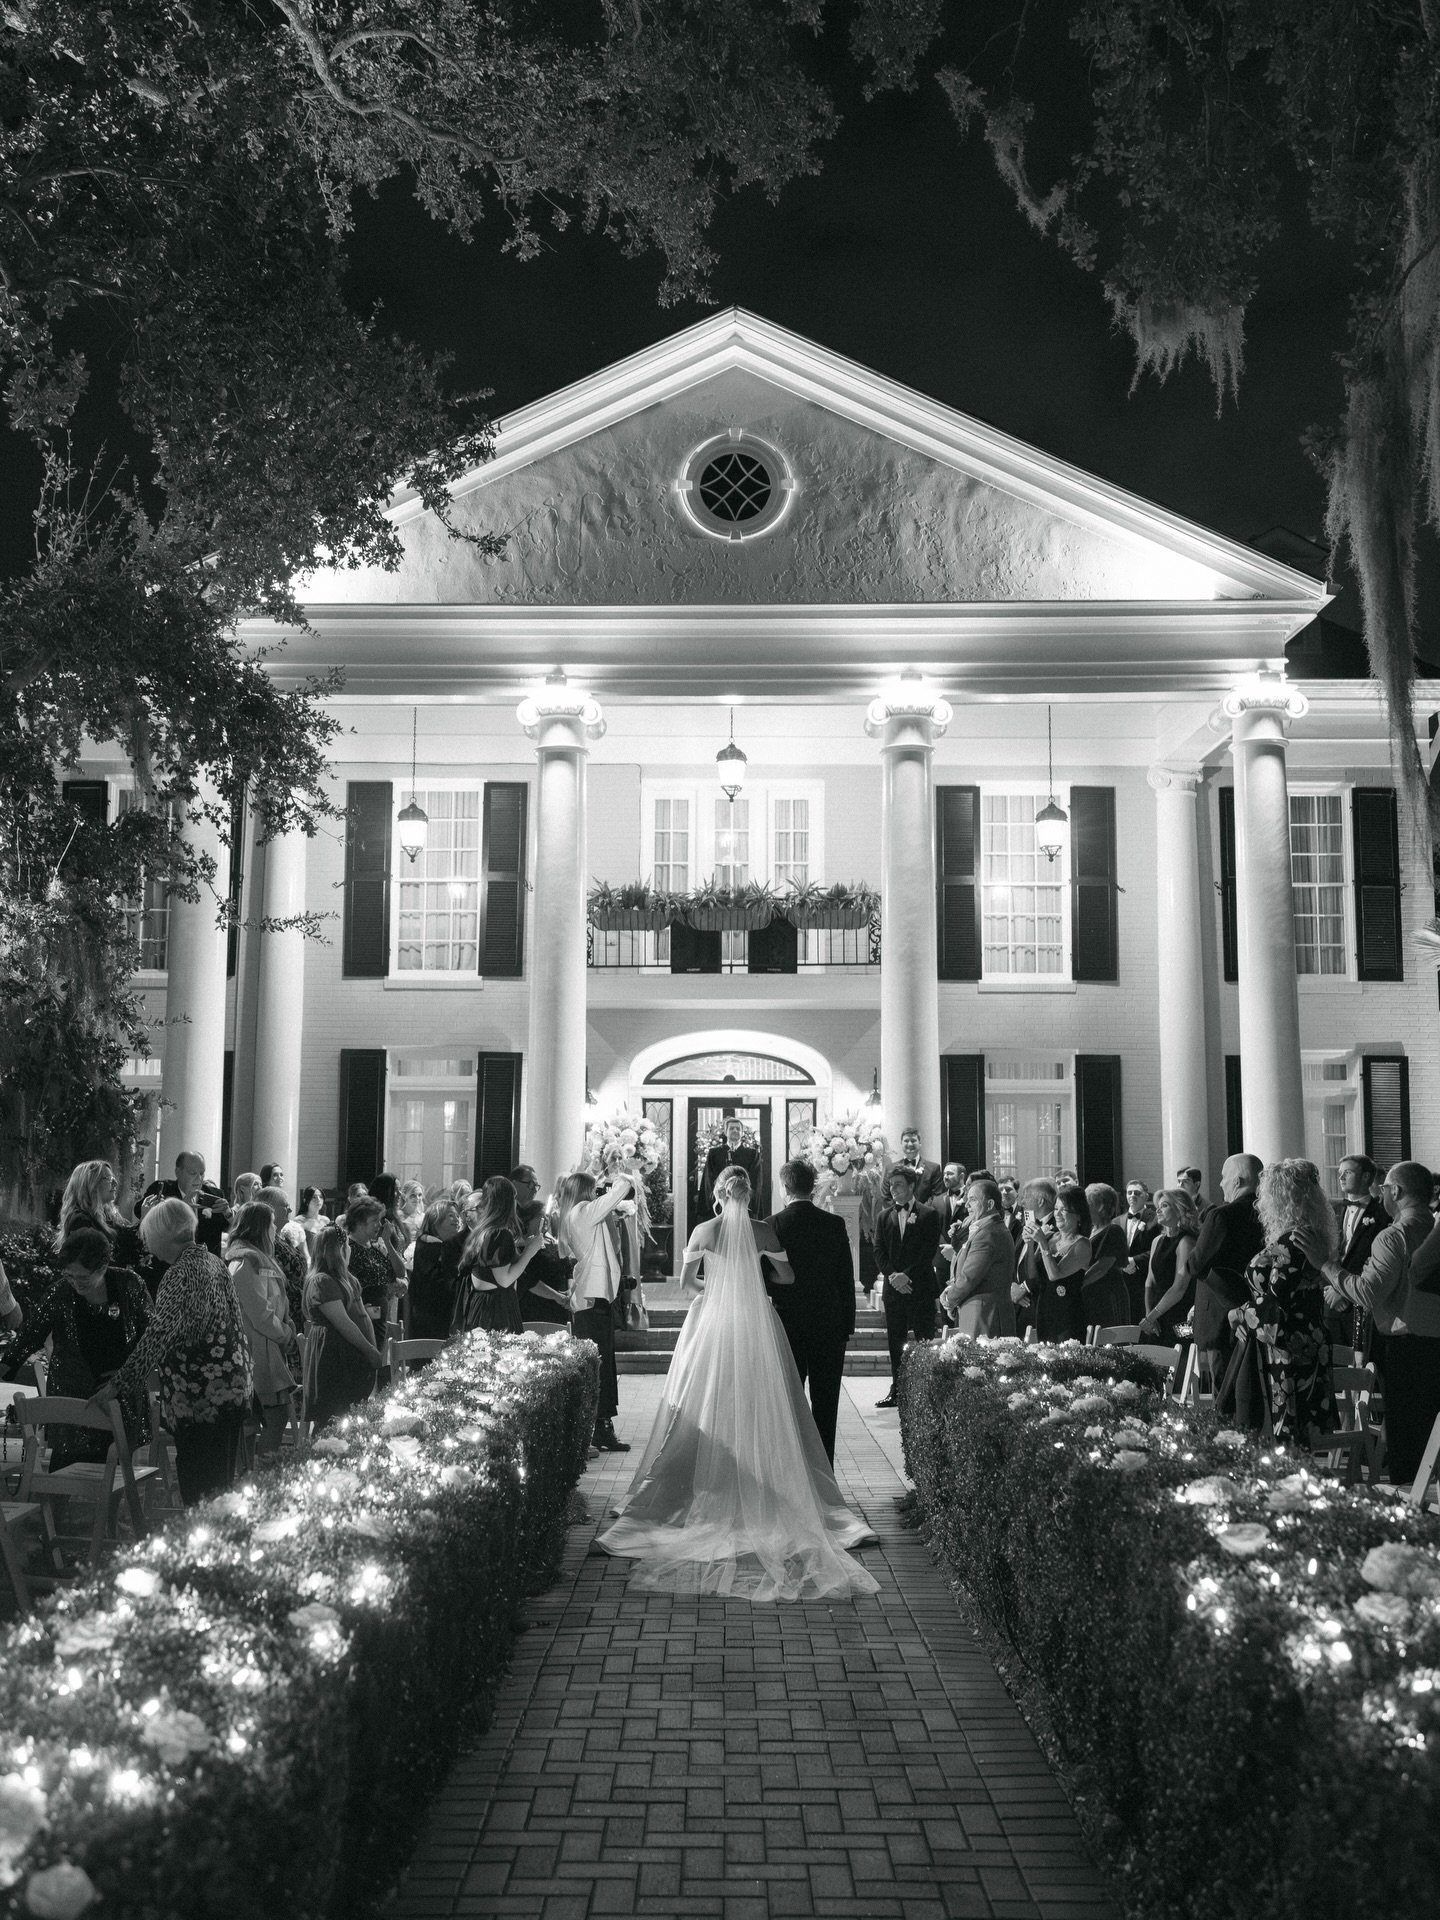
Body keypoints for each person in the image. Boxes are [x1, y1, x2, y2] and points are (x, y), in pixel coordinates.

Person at [598, 1166, 878, 1602]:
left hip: (713, 1320)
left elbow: (690, 1283)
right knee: (760, 1400)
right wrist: (750, 1282)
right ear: (752, 1193)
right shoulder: (765, 1231)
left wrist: (721, 1287)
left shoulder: (704, 1230)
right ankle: (765, 1482)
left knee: (708, 1399)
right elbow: (785, 1278)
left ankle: (713, 1478)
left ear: (717, 1192)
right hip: (755, 1320)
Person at [107, 1199, 253, 1504]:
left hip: (201, 1399)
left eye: (149, 1236)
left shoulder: (180, 1273)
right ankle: (222, 1547)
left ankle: (201, 1549)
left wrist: (118, 1384)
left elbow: (157, 1335)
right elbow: (237, 1323)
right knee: (221, 1489)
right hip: (231, 1390)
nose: (147, 1245)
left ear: (162, 1234)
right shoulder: (214, 1262)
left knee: (199, 1491)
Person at [1304, 1160, 1440, 1484]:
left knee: (1407, 1433)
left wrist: (1325, 1266)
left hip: (1408, 1344)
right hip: (1435, 1338)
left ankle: (1409, 1512)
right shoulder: (1433, 1230)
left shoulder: (1392, 1236)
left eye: (1384, 1188)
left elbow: (1367, 1293)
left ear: (1396, 1190)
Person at [1222, 1160, 1336, 1445]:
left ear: (1279, 1195)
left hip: (1289, 1343)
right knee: (1293, 1433)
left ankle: (1293, 1484)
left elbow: (1276, 1301)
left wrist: (1238, 1313)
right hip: (1301, 1336)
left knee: (1288, 1432)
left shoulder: (1295, 1240)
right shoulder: (1304, 1234)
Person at [24, 1227, 151, 1467]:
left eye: (82, 1277)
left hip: (119, 1399)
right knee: (64, 1465)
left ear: (102, 1268)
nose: (74, 1283)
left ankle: (109, 1505)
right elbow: (27, 1338)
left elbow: (151, 1340)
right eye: (69, 1276)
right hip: (72, 1398)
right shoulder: (60, 1292)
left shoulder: (129, 1285)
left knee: (115, 1470)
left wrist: (125, 1379)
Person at [766, 1157, 855, 1464]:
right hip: (829, 1324)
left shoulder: (772, 1224)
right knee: (826, 1403)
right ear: (812, 1187)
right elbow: (845, 1277)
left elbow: (764, 1277)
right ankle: (824, 1470)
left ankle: (792, 1468)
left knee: (789, 1402)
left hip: (787, 1323)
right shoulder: (834, 1224)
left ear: (784, 1187)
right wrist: (847, 1325)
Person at [556, 1169, 637, 1453]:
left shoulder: (577, 1214)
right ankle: (597, 1428)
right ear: (585, 1192)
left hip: (593, 1295)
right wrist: (620, 1176)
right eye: (593, 1190)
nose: (596, 1195)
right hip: (592, 1297)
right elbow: (622, 1188)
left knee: (602, 1363)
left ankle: (599, 1426)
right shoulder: (582, 1211)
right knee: (599, 1364)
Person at [225, 1201, 299, 1460]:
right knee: (272, 1419)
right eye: (271, 1224)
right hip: (258, 1353)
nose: (275, 1229)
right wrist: (286, 1335)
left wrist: (286, 1324)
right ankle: (258, 1475)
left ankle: (255, 1473)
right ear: (260, 1228)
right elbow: (261, 1315)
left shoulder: (255, 1259)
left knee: (266, 1420)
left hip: (266, 1348)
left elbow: (274, 1305)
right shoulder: (246, 1264)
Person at [1189, 1153, 1265, 1379]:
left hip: (1221, 1320)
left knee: (1224, 1396)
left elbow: (1196, 1265)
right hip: (1257, 1312)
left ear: (1237, 1181)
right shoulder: (1268, 1215)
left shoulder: (1221, 1216)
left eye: (1224, 1177)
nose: (1221, 1183)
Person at [302, 1224, 384, 1430]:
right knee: (332, 1418)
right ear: (337, 1250)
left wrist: (371, 1352)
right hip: (333, 1355)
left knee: (350, 1418)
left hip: (352, 1355)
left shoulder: (348, 1280)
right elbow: (344, 1324)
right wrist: (369, 1350)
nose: (350, 1249)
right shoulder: (322, 1281)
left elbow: (362, 1317)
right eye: (347, 1245)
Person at [873, 1163, 941, 1408]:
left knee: (924, 1341)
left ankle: (927, 1391)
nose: (894, 1189)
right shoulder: (884, 1216)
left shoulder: (929, 1214)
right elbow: (879, 1250)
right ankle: (898, 1390)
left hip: (919, 1287)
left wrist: (907, 1276)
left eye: (899, 1184)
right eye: (891, 1185)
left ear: (912, 1186)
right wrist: (893, 1276)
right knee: (895, 1342)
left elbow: (928, 1251)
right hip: (894, 1291)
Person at [453, 1177, 548, 1337]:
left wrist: (527, 1247)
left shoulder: (484, 1231)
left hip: (484, 1305)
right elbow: (504, 1279)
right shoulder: (498, 1233)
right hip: (496, 1309)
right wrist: (530, 1251)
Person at [940, 1178, 1016, 1338]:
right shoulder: (985, 1229)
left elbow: (969, 1277)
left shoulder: (988, 1233)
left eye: (973, 1200)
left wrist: (948, 1299)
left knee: (979, 1363)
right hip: (979, 1312)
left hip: (985, 1316)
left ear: (989, 1205)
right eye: (967, 1200)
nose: (967, 1205)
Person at [1332, 1154, 1387, 1353]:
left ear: (1365, 1177)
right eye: (1340, 1173)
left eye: (1347, 1172)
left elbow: (1371, 1258)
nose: (1341, 1177)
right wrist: (1330, 1287)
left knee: (1361, 1363)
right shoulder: (1332, 1211)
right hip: (1330, 1299)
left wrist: (1343, 1290)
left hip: (1359, 1300)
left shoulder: (1381, 1215)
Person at [1028, 1183, 1093, 1343]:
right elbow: (1032, 1273)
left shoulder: (1082, 1244)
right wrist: (1030, 1243)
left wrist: (1042, 1243)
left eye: (1063, 1210)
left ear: (1078, 1214)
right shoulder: (1051, 1237)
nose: (1057, 1214)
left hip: (1067, 1314)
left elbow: (1054, 1274)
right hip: (1044, 1308)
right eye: (1056, 1209)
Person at [138, 1151, 231, 1257]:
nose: (199, 1178)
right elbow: (139, 1212)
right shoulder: (162, 1190)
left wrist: (228, 1213)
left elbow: (232, 1228)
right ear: (178, 1172)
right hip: (171, 1263)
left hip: (208, 1265)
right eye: (193, 1173)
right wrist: (181, 1207)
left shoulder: (214, 1194)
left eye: (202, 1173)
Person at [1139, 1188, 1202, 1345]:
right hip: (1156, 1318)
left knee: (1180, 1359)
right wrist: (1149, 1314)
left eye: (1165, 1205)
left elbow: (1179, 1288)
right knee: (1155, 1363)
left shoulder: (1186, 1242)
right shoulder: (1157, 1241)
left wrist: (1151, 1316)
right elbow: (1149, 1282)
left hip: (1181, 1318)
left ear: (1179, 1210)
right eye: (1158, 1206)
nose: (1158, 1210)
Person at [55, 1160, 144, 1267]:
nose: (115, 1183)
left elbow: (130, 1239)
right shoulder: (80, 1221)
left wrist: (146, 1217)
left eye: (113, 1178)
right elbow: (97, 1265)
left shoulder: (108, 1216)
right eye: (108, 1179)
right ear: (90, 1185)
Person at [346, 1196, 407, 1340]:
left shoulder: (376, 1247)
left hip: (380, 1319)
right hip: (361, 1320)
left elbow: (399, 1272)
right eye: (374, 1221)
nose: (379, 1225)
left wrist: (387, 1241)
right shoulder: (348, 1249)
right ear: (359, 1222)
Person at [409, 1198, 466, 1340]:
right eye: (451, 1216)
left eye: (458, 1216)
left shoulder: (434, 1245)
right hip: (432, 1321)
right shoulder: (432, 1248)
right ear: (436, 1220)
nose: (457, 1220)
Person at [1011, 1177, 1057, 1338]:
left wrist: (1024, 1288)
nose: (1021, 1202)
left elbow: (1051, 1266)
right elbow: (1014, 1261)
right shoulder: (1025, 1224)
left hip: (1038, 1302)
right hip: (1018, 1303)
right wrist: (1012, 1286)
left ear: (1041, 1201)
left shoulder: (1058, 1226)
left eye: (1026, 1196)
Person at [1082, 1183, 1132, 1332]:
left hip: (1107, 1296)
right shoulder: (1089, 1230)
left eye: (1087, 1203)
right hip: (1091, 1296)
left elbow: (1101, 1268)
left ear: (1101, 1207)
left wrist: (1076, 1285)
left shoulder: (1113, 1231)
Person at [257, 1186, 308, 1326]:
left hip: (299, 1312)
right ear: (270, 1209)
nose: (290, 1210)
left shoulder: (282, 1237)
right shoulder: (265, 1244)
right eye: (286, 1206)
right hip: (283, 1317)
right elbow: (278, 1282)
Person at [698, 1117, 762, 1218]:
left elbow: (755, 1180)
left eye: (738, 1129)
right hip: (720, 1203)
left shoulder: (752, 1154)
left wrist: (743, 1197)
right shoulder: (714, 1153)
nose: (735, 1130)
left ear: (742, 1132)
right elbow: (709, 1180)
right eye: (731, 1128)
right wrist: (721, 1196)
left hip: (744, 1203)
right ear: (725, 1131)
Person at [932, 1161, 969, 1302]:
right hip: (942, 1258)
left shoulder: (972, 1198)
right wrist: (945, 1248)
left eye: (950, 1173)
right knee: (944, 1298)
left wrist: (955, 1249)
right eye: (944, 1174)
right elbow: (934, 1228)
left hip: (965, 1257)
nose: (945, 1177)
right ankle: (946, 1325)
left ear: (961, 1176)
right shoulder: (937, 1200)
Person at [1120, 1181, 1158, 1317]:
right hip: (1122, 1282)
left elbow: (1157, 1250)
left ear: (1146, 1196)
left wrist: (1135, 1260)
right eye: (1129, 1192)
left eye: (1137, 1193)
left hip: (1144, 1281)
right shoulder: (1117, 1221)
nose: (1132, 1195)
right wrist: (1122, 1263)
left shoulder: (1155, 1219)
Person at [895, 1129, 942, 1203]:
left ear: (920, 1143)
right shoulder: (890, 1168)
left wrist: (922, 1212)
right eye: (906, 1141)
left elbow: (936, 1197)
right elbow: (886, 1197)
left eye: (913, 1141)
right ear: (901, 1143)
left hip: (925, 1213)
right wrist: (900, 1211)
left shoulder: (934, 1169)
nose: (910, 1144)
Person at [297, 1185, 330, 1256]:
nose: (318, 1200)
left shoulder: (326, 1220)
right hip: (308, 1260)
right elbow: (300, 1249)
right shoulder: (299, 1221)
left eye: (320, 1197)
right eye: (314, 1197)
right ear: (306, 1201)